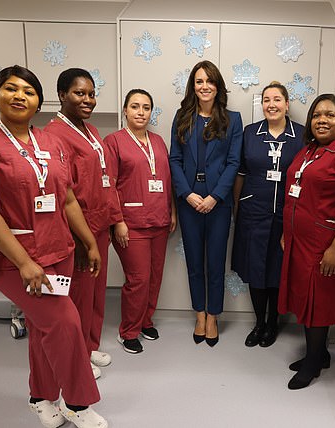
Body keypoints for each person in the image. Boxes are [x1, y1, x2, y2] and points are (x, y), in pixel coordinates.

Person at [0, 65, 107, 428]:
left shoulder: (51, 142)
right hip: (13, 257)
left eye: (29, 91)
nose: (20, 95)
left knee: (42, 326)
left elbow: (67, 199)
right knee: (66, 321)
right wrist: (24, 263)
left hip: (60, 250)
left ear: (39, 102)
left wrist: (88, 242)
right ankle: (79, 404)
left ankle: (41, 398)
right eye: (10, 88)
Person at [278, 94, 335, 389]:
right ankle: (318, 355)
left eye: (330, 115)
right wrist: (287, 231)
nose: (322, 120)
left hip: (325, 243)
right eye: (317, 115)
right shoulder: (309, 151)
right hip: (299, 240)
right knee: (307, 299)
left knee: (318, 302)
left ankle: (313, 364)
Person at [44, 68, 123, 378]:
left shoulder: (90, 131)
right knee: (77, 297)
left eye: (91, 94)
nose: (88, 100)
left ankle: (89, 346)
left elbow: (103, 178)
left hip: (99, 225)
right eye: (80, 93)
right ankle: (76, 357)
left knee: (95, 293)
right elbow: (61, 192)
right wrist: (79, 239)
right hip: (78, 231)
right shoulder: (53, 135)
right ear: (62, 95)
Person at [169, 60, 243, 347]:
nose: (204, 86)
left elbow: (234, 162)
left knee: (215, 263)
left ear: (218, 86)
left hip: (218, 202)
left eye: (209, 81)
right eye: (199, 81)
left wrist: (215, 197)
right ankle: (199, 314)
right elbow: (174, 159)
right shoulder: (182, 117)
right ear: (193, 86)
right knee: (195, 264)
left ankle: (213, 316)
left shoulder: (232, 119)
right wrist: (187, 194)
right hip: (189, 200)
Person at [231, 82, 304, 348]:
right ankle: (259, 322)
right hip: (253, 211)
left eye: (276, 99)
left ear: (286, 104)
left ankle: (273, 323)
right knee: (255, 268)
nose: (271, 104)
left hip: (287, 215)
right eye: (266, 100)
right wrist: (238, 208)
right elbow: (239, 174)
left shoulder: (302, 136)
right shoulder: (250, 133)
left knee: (277, 270)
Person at [104, 89, 177, 354]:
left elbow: (167, 180)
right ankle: (129, 331)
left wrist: (172, 212)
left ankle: (146, 321)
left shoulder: (158, 142)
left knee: (155, 277)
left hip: (158, 220)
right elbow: (108, 185)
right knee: (138, 278)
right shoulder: (113, 141)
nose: (140, 112)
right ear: (125, 110)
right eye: (135, 106)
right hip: (130, 223)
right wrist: (117, 221)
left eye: (146, 107)